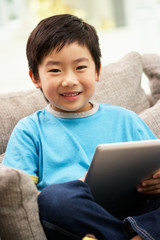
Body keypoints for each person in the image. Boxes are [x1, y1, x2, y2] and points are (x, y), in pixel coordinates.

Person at [2, 14, 160, 240]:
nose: (69, 80)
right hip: (77, 217)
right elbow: (21, 198)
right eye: (55, 70)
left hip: (134, 211)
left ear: (97, 71)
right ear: (35, 77)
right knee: (53, 198)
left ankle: (133, 233)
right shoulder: (30, 130)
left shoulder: (127, 120)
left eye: (80, 67)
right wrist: (79, 186)